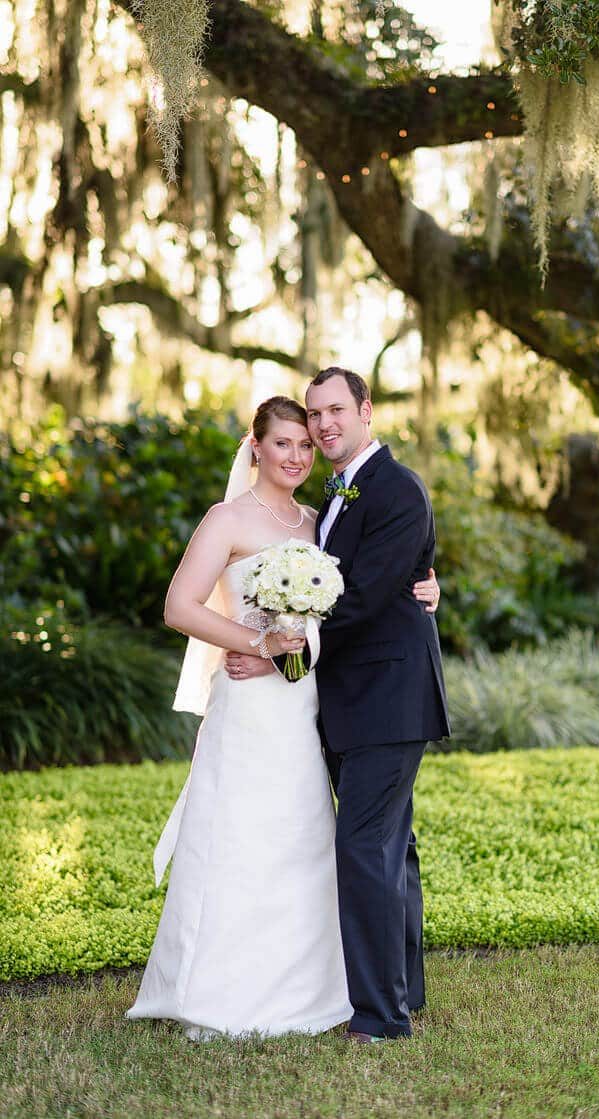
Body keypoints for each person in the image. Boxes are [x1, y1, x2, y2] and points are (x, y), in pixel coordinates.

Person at [128, 395, 441, 1041]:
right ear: (257, 446)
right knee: (242, 834)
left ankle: (320, 987)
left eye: (306, 443)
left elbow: (372, 584)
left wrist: (430, 585)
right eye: (283, 443)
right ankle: (222, 987)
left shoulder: (321, 520)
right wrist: (256, 645)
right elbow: (179, 606)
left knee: (305, 837)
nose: (298, 454)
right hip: (250, 698)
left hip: (310, 706)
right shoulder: (228, 517)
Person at [225, 367, 449, 1042]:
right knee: (389, 847)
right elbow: (384, 578)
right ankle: (403, 990)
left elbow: (365, 594)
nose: (323, 425)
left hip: (388, 698)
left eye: (334, 411)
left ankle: (379, 1017)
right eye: (314, 414)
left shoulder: (397, 486)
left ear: (366, 411)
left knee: (363, 847)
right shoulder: (338, 496)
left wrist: (275, 651)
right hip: (351, 700)